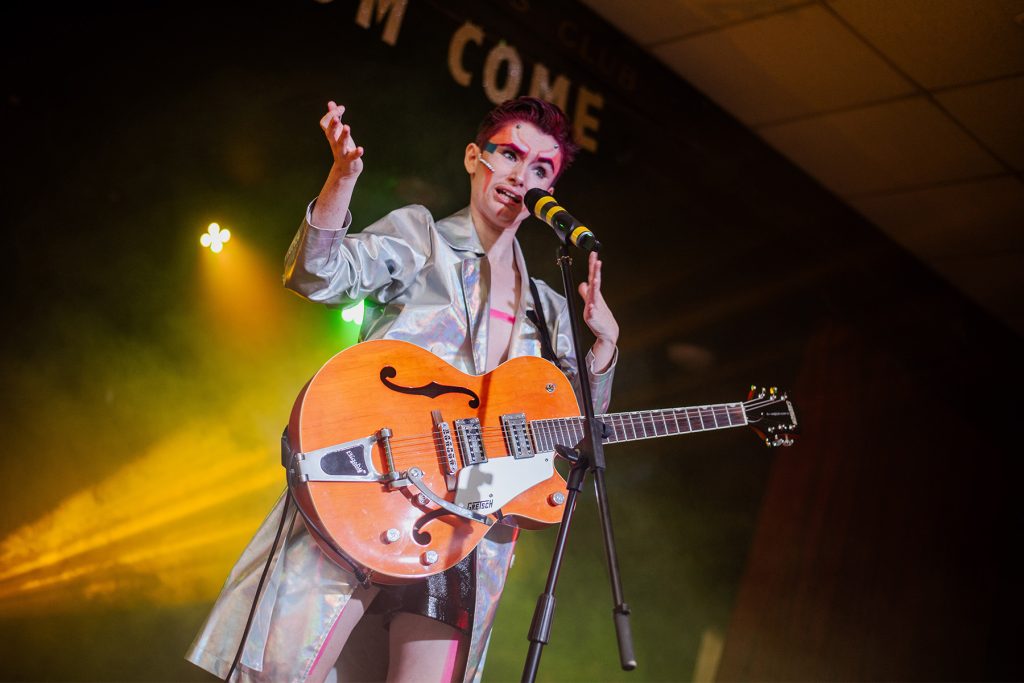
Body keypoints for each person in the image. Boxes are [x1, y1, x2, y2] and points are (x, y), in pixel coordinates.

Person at [186, 96, 618, 683]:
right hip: (377, 483)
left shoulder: (548, 306)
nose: (522, 176)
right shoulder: (422, 238)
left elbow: (578, 427)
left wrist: (603, 349)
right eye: (509, 155)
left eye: (540, 169)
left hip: (470, 526)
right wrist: (341, 181)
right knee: (284, 667)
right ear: (474, 158)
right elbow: (316, 275)